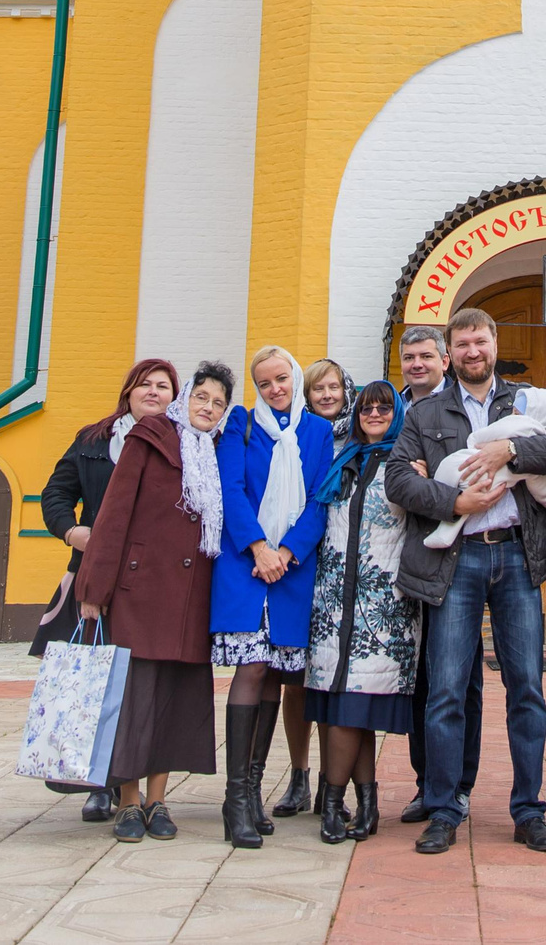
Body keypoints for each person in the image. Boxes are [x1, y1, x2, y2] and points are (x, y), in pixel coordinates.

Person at [385, 306, 546, 855]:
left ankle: (528, 810)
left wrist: (510, 448)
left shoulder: (524, 401)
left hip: (517, 558)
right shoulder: (426, 413)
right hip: (458, 561)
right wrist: (455, 499)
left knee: (527, 691)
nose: (473, 352)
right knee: (445, 690)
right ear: (451, 354)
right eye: (462, 344)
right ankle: (444, 809)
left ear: (495, 345)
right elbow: (398, 480)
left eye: (481, 342)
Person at [74, 362, 229, 843]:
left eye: (218, 403)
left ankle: (159, 800)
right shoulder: (152, 437)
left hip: (191, 596)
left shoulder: (215, 452)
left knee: (172, 700)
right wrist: (93, 591)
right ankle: (127, 801)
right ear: (187, 399)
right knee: (133, 699)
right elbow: (114, 514)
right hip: (140, 590)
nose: (208, 408)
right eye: (202, 397)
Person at [37, 358, 177, 821]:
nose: (154, 393)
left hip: (147, 583)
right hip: (95, 575)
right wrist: (72, 532)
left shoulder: (180, 446)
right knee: (97, 679)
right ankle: (97, 779)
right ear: (129, 391)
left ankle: (126, 783)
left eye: (164, 386)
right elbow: (55, 494)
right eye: (146, 384)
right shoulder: (93, 441)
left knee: (138, 685)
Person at [212, 347, 337, 849]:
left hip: (292, 568)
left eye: (282, 379)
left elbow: (322, 499)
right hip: (246, 563)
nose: (275, 389)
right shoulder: (241, 425)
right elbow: (230, 489)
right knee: (251, 670)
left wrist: (287, 552)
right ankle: (237, 798)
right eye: (264, 383)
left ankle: (254, 792)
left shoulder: (319, 432)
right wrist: (259, 548)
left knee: (275, 674)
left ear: (296, 377)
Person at [303, 379, 417, 843]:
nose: (373, 414)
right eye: (367, 408)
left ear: (398, 414)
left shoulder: (407, 466)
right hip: (333, 603)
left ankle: (332, 802)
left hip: (381, 607)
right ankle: (366, 806)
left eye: (384, 408)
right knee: (346, 709)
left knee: (355, 707)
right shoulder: (341, 461)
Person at [392, 324, 482, 819]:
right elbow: (397, 478)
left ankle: (457, 784)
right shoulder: (388, 406)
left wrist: (431, 484)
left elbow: (470, 475)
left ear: (445, 360)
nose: (418, 364)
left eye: (427, 355)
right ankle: (426, 781)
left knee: (459, 679)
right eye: (410, 357)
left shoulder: (468, 408)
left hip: (453, 558)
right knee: (420, 678)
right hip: (405, 559)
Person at [278, 357, 353, 819]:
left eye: (334, 387)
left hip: (343, 564)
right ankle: (298, 775)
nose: (327, 395)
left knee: (331, 679)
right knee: (295, 679)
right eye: (318, 389)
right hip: (300, 561)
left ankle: (332, 782)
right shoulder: (295, 433)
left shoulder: (360, 431)